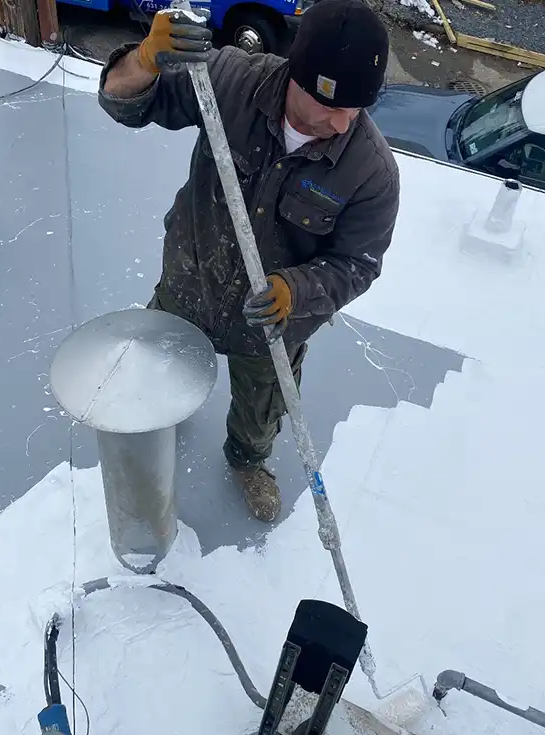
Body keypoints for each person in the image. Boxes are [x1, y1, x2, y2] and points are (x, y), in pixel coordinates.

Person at [99, 0, 400, 523]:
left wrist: (297, 290)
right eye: (332, 105)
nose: (344, 121)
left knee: (261, 413)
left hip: (271, 323)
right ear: (296, 76)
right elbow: (124, 103)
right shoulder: (228, 81)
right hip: (189, 284)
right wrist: (146, 60)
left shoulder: (369, 172)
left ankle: (247, 462)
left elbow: (359, 263)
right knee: (156, 370)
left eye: (358, 108)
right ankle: (157, 416)